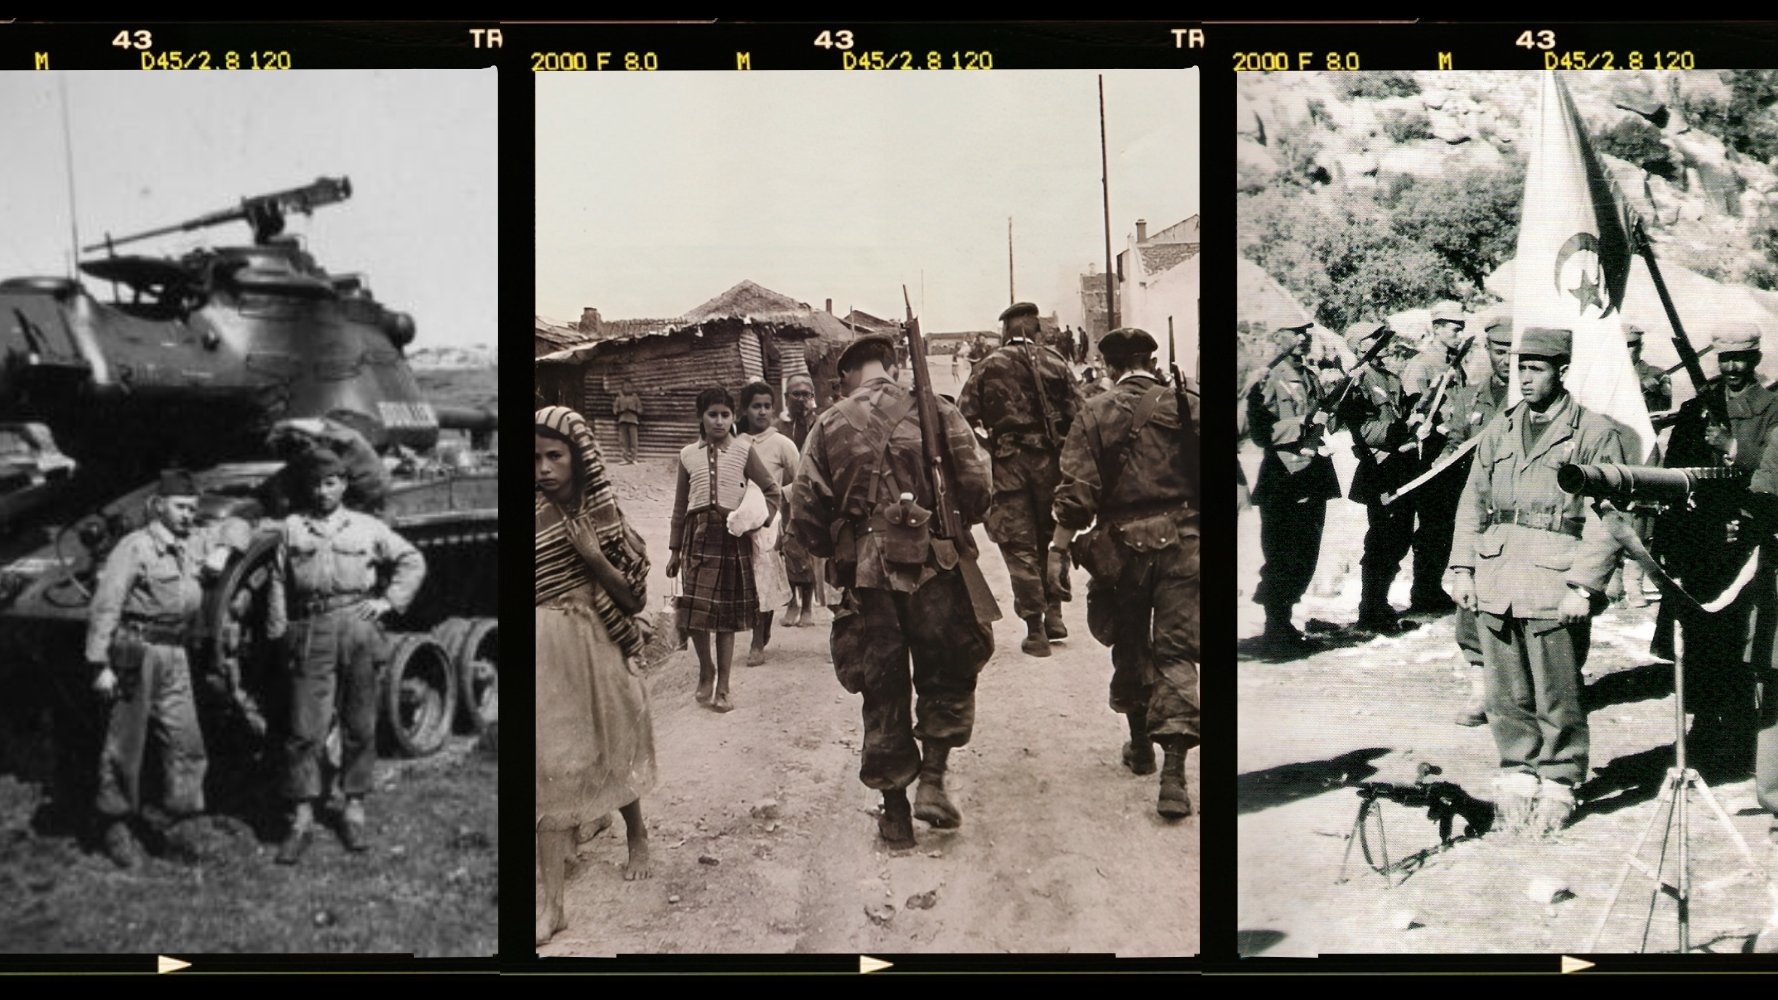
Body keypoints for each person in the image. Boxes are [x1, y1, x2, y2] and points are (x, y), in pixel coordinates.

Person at [790, 334, 995, 847]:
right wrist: (948, 521)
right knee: (947, 671)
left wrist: (841, 549)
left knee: (882, 687)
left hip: (866, 574)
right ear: (894, 365)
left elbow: (806, 509)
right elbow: (978, 485)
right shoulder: (937, 409)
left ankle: (897, 813)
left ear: (846, 376)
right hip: (935, 564)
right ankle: (934, 780)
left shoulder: (828, 424)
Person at [1448, 327, 1626, 833]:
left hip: (1554, 577)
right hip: (1497, 572)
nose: (1524, 378)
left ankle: (1560, 780)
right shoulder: (1502, 428)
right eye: (1520, 368)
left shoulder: (1593, 432)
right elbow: (1472, 500)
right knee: (1505, 690)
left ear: (1561, 371)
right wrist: (1462, 567)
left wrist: (1584, 585)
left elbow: (1609, 515)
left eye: (1536, 369)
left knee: (1557, 691)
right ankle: (1518, 773)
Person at [1048, 328, 1198, 818]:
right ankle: (1174, 776)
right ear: (1151, 362)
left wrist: (1058, 549)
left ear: (1110, 367)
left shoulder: (1094, 411)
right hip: (1185, 542)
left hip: (1123, 548)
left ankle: (1141, 747)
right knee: (1177, 651)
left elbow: (1077, 493)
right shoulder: (1188, 404)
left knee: (1130, 643)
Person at [268, 448, 426, 864]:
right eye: (316, 484)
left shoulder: (366, 526)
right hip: (311, 628)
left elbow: (412, 560)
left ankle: (353, 808)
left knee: (360, 723)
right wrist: (280, 633)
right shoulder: (293, 528)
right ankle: (301, 817)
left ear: (343, 484)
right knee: (305, 728)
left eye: (331, 483)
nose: (323, 492)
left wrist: (388, 602)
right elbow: (278, 582)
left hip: (357, 625)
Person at [84, 469, 247, 867]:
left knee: (185, 740)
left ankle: (182, 822)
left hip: (175, 653)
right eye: (180, 507)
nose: (188, 514)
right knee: (125, 744)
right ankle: (115, 825)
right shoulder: (135, 547)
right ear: (158, 507)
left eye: (192, 508)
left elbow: (241, 524)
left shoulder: (194, 540)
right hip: (135, 650)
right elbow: (106, 605)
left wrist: (223, 550)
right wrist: (100, 665)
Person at [534, 406, 654, 947]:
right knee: (550, 763)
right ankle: (553, 906)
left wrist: (594, 559)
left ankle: (636, 832)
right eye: (534, 458)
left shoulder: (602, 518)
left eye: (554, 456)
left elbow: (635, 599)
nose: (543, 468)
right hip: (546, 651)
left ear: (578, 459)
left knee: (614, 742)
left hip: (599, 642)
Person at [1654, 321, 1778, 765]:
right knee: (1698, 634)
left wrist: (1731, 445)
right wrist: (1669, 536)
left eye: (1740, 359)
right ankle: (1704, 723)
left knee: (1746, 637)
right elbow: (1674, 473)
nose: (1731, 368)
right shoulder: (1697, 407)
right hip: (1701, 539)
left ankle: (1744, 728)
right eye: (1725, 359)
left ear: (1755, 360)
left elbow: (1771, 470)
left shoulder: (1772, 409)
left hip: (1751, 536)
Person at [958, 301, 1080, 657]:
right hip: (1052, 465)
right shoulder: (1057, 363)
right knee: (1053, 538)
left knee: (1018, 545)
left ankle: (1036, 629)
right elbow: (1080, 415)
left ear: (1004, 332)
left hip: (1008, 465)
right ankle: (1055, 612)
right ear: (1037, 331)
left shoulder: (988, 366)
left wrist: (989, 446)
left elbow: (963, 417)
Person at [667, 387, 782, 712]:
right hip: (696, 537)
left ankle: (724, 686)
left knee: (725, 618)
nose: (719, 421)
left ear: (734, 417)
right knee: (696, 614)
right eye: (712, 414)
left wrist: (758, 520)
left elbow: (772, 491)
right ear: (700, 417)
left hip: (731, 538)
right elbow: (679, 507)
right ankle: (706, 670)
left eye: (725, 415)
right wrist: (674, 549)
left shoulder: (744, 450)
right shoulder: (687, 455)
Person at [1438, 315, 1516, 725]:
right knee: (1472, 603)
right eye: (1500, 351)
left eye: (1514, 352)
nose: (1507, 360)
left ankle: (1526, 690)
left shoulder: (1534, 401)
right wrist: (1445, 459)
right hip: (1481, 516)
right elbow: (1454, 442)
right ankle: (1481, 690)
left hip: (1523, 516)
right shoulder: (1469, 398)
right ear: (1488, 351)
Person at [1247, 321, 1340, 651]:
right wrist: (1303, 423)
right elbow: (1260, 432)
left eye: (1306, 333)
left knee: (1306, 554)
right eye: (1296, 332)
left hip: (1313, 475)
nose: (1303, 338)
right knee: (1282, 554)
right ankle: (1276, 626)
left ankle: (1285, 623)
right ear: (1278, 336)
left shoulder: (1309, 375)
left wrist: (1333, 408)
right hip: (1283, 476)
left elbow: (1327, 420)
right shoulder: (1268, 378)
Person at [1335, 322, 1416, 634]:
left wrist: (1414, 419)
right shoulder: (1357, 379)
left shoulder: (1390, 377)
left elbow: (1400, 415)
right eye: (1374, 338)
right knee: (1382, 537)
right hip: (1379, 468)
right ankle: (1370, 607)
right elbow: (1359, 426)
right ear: (1359, 345)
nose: (1382, 342)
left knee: (1400, 536)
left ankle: (1380, 602)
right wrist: (1397, 431)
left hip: (1402, 466)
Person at [1402, 301, 1471, 614]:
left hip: (1453, 452)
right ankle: (1423, 589)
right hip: (1430, 455)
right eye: (1454, 329)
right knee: (1432, 524)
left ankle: (1431, 586)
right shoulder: (1422, 365)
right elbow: (1414, 414)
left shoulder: (1454, 364)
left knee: (1445, 524)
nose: (1459, 334)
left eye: (1461, 329)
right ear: (1438, 328)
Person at [736, 381, 799, 666]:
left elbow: (801, 481)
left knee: (763, 577)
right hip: (738, 520)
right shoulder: (734, 443)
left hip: (769, 521)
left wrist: (776, 500)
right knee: (743, 580)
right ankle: (759, 630)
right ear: (744, 410)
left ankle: (757, 640)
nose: (762, 412)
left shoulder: (782, 444)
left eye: (767, 406)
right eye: (755, 406)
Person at [778, 374, 827, 624]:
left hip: (810, 492)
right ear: (786, 398)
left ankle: (807, 605)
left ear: (812, 397)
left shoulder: (819, 424)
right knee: (786, 547)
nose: (800, 399)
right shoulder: (779, 426)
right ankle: (792, 602)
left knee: (807, 546)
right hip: (783, 495)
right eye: (795, 394)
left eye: (805, 394)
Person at [612, 379, 645, 464]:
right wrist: (621, 410)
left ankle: (634, 458)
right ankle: (625, 459)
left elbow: (640, 410)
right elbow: (614, 410)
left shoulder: (635, 398)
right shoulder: (619, 398)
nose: (628, 388)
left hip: (633, 420)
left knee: (634, 441)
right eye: (626, 387)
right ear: (623, 388)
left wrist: (633, 410)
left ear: (632, 388)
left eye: (629, 387)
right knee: (623, 441)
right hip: (622, 420)